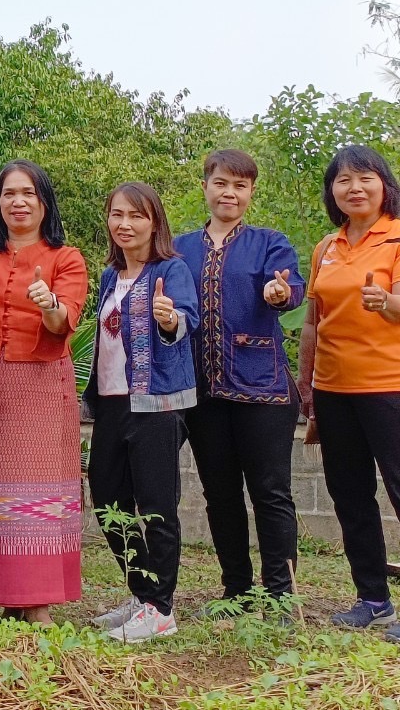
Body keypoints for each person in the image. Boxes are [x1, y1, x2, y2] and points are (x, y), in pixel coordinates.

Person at [0, 160, 89, 626]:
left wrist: (49, 304)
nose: (18, 201)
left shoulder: (66, 257)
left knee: (42, 493)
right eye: (9, 193)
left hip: (42, 386)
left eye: (28, 193)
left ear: (44, 202)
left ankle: (40, 604)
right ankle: (9, 596)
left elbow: (63, 321)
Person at [174, 150, 305, 608]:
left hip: (262, 388)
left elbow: (292, 288)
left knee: (270, 492)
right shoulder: (180, 247)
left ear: (251, 192)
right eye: (221, 183)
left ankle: (280, 595)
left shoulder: (270, 242)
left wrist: (280, 291)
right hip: (203, 391)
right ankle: (237, 590)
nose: (230, 193)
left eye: (240, 185)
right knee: (220, 493)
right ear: (206, 186)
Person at [85, 181, 199, 643]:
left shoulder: (170, 270)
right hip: (111, 404)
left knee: (156, 507)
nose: (125, 224)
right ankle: (142, 593)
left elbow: (184, 320)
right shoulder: (111, 277)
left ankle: (162, 609)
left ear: (155, 222)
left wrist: (169, 319)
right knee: (108, 500)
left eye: (137, 216)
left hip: (155, 404)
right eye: (117, 215)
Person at [297, 145, 400, 641]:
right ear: (332, 191)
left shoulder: (399, 237)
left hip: (389, 385)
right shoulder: (326, 247)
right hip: (334, 390)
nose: (355, 187)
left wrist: (388, 302)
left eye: (366, 178)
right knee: (351, 495)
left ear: (385, 184)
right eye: (343, 180)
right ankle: (373, 599)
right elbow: (314, 323)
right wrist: (308, 385)